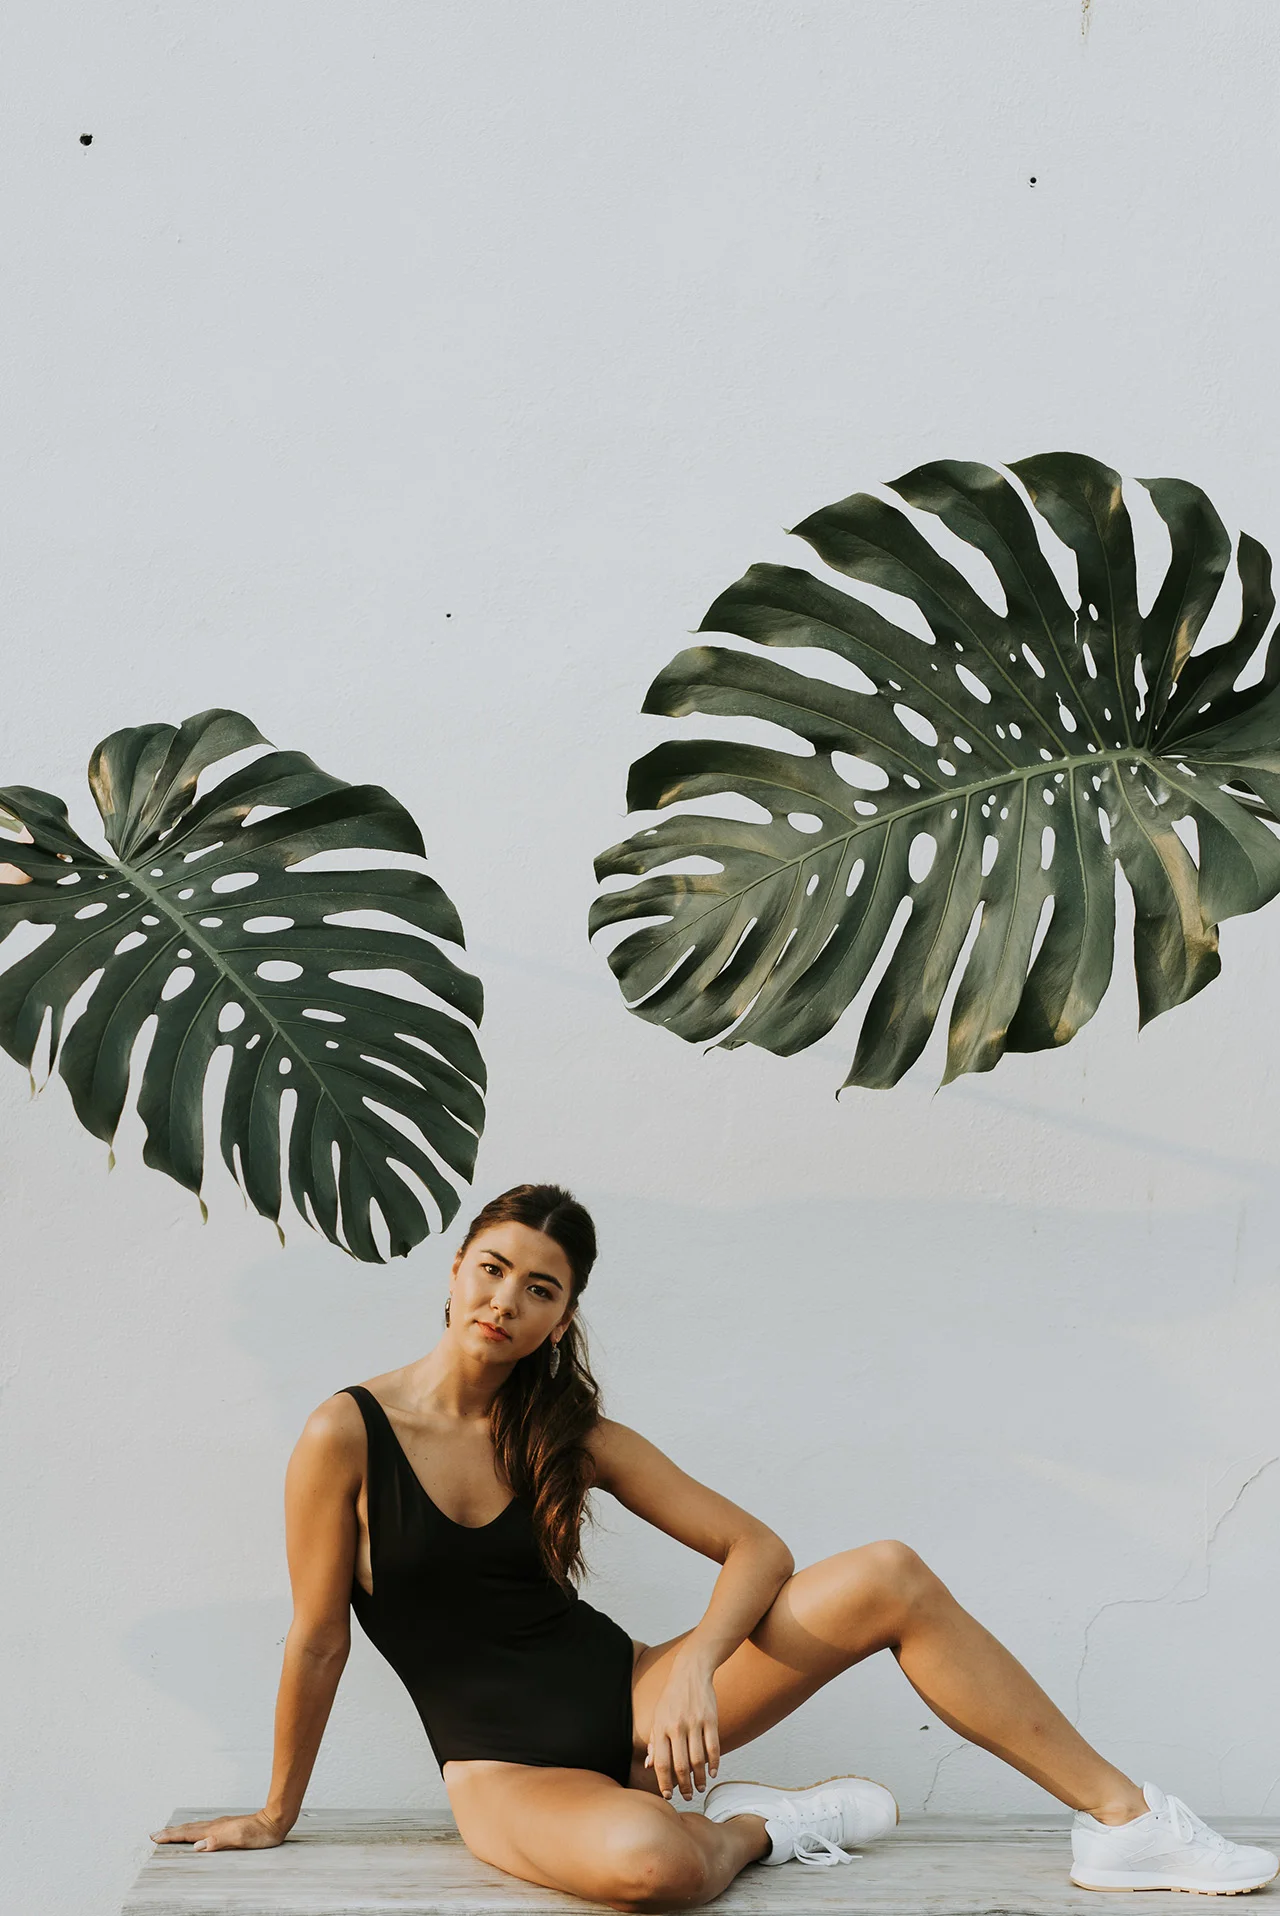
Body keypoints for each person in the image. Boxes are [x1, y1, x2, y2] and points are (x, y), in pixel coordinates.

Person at [152, 1184, 1279, 1910]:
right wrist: (276, 1811)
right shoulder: (344, 1433)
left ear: (560, 1317)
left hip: (642, 1701)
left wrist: (692, 1661)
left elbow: (756, 1545)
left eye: (540, 1288)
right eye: (492, 1267)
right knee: (655, 1867)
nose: (506, 1299)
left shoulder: (566, 1432)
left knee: (888, 1573)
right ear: (453, 1271)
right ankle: (762, 1825)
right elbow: (318, 1639)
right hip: (506, 1768)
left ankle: (1127, 1822)